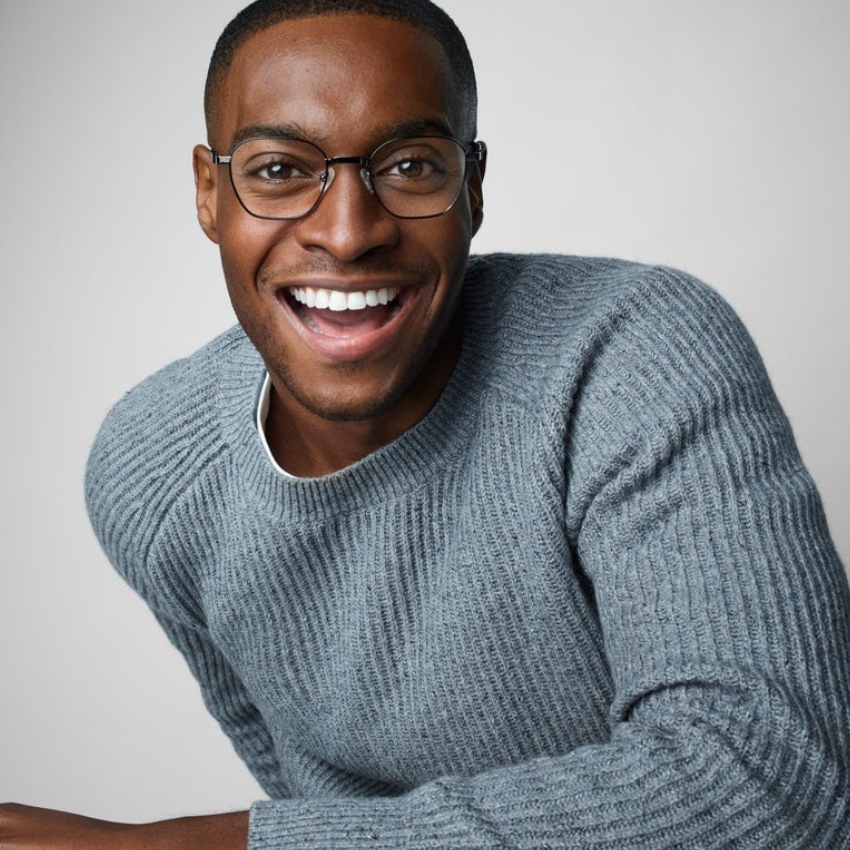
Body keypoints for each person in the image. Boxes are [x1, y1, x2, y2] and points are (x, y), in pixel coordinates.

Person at [2, 0, 849, 847]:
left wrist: (191, 845)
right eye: (278, 170)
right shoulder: (152, 475)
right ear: (209, 193)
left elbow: (777, 785)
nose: (346, 233)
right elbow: (339, 815)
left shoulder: (630, 358)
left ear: (473, 188)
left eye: (409, 166)